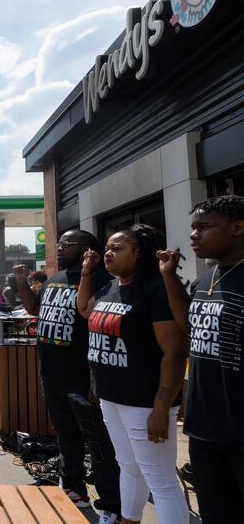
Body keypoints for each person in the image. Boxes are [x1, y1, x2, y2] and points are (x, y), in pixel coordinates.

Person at [77, 224, 189, 524]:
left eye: (118, 248)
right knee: (128, 466)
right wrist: (87, 272)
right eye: (107, 248)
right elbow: (85, 309)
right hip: (112, 398)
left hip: (145, 402)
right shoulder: (110, 286)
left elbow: (175, 352)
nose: (108, 253)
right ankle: (129, 519)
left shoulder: (155, 290)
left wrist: (162, 406)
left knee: (160, 480)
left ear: (139, 254)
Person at [15, 231, 121, 523]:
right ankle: (74, 488)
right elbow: (34, 309)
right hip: (52, 374)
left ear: (88, 250)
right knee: (65, 433)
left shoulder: (102, 282)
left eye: (67, 245)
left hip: (82, 378)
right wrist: (22, 281)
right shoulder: (54, 279)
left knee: (98, 441)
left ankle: (112, 501)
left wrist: (95, 379)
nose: (60, 249)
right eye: (58, 244)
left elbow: (102, 331)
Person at [158, 195, 244, 523]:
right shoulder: (207, 277)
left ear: (237, 228)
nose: (194, 234)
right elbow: (190, 327)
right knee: (216, 513)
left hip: (240, 430)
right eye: (193, 227)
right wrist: (169, 277)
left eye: (204, 227)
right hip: (205, 427)